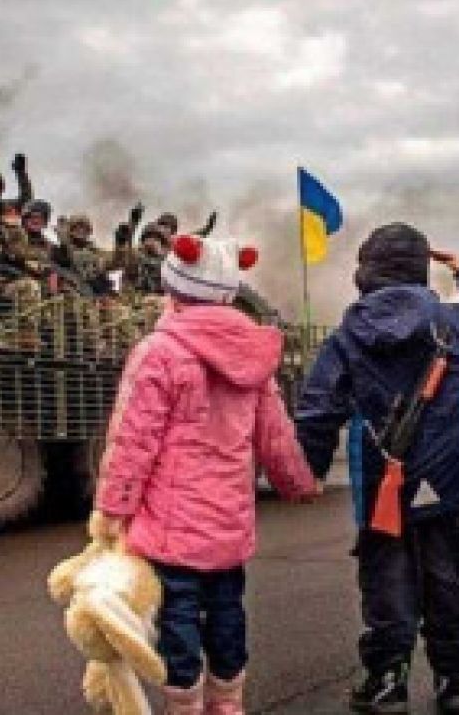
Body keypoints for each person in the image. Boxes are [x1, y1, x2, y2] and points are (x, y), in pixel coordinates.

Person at [294, 223, 459, 714]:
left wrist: (308, 474)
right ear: (420, 268)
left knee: (386, 577)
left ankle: (387, 679)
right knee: (449, 574)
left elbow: (317, 410)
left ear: (366, 271)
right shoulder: (454, 324)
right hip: (446, 480)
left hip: (382, 481)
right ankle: (453, 678)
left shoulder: (348, 335)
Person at [93, 234, 321, 715]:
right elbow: (276, 435)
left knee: (177, 619)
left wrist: (112, 509)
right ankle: (228, 702)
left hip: (171, 525)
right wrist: (298, 482)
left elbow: (133, 440)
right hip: (229, 522)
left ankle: (185, 706)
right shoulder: (254, 355)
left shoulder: (159, 351)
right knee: (226, 612)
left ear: (173, 287)